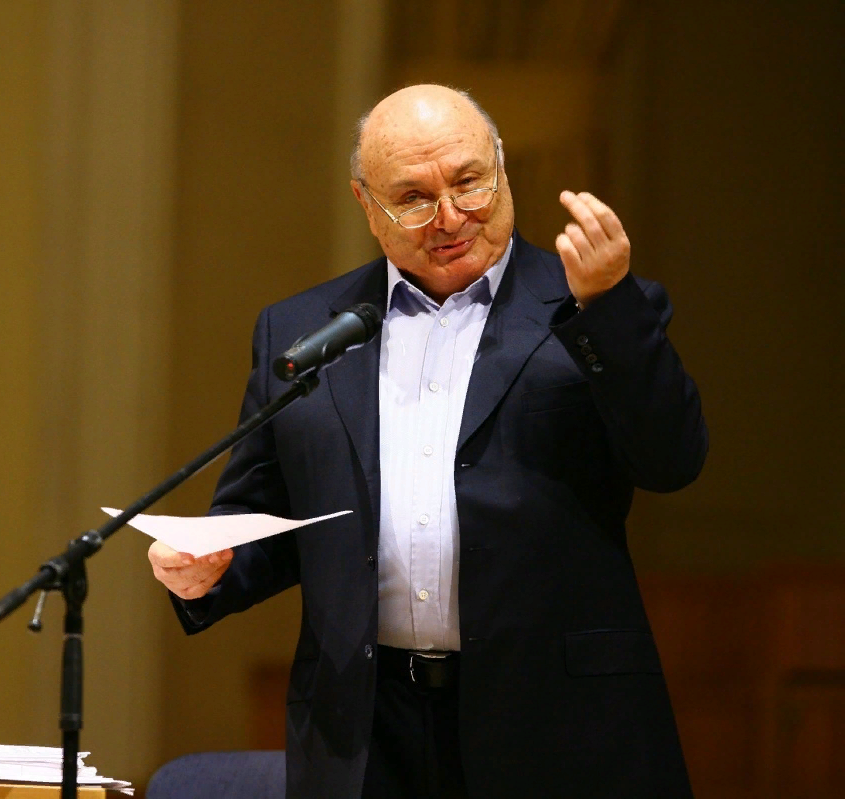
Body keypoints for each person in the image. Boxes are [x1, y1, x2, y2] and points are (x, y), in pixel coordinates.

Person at [148, 84, 707, 799]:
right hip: (366, 729)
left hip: (554, 722)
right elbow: (267, 515)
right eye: (412, 198)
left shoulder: (589, 304)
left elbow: (672, 459)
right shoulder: (302, 328)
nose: (450, 217)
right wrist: (211, 564)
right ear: (366, 203)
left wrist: (608, 305)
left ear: (501, 165)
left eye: (469, 182)